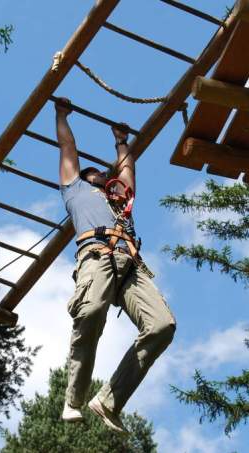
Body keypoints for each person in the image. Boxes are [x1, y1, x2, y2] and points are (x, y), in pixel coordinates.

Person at [55, 97, 176, 433]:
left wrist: (121, 142)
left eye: (104, 173)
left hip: (131, 266)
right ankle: (73, 399)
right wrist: (61, 114)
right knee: (91, 313)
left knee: (162, 326)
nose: (100, 174)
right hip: (97, 256)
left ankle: (109, 400)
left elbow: (127, 172)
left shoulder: (119, 201)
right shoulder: (75, 191)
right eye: (94, 172)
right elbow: (67, 146)